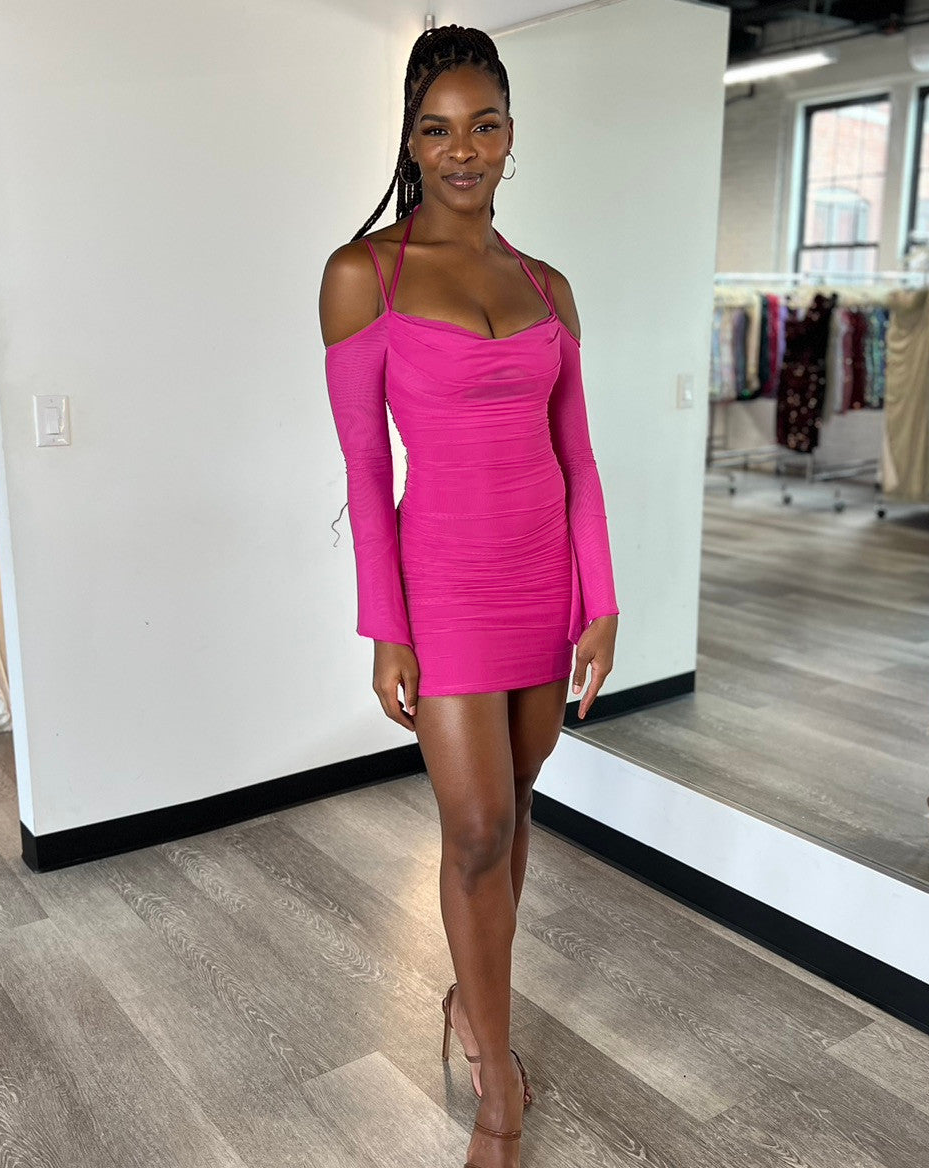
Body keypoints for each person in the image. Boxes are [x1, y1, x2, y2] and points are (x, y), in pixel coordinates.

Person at [318, 25, 619, 1168]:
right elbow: (362, 470)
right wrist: (384, 626)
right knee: (477, 823)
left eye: (483, 125)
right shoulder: (368, 276)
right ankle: (498, 1078)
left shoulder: (547, 286)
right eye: (437, 129)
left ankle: (468, 996)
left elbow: (577, 456)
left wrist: (601, 598)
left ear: (510, 136)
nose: (462, 150)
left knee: (518, 799)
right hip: (442, 581)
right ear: (409, 137)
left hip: (546, 577)